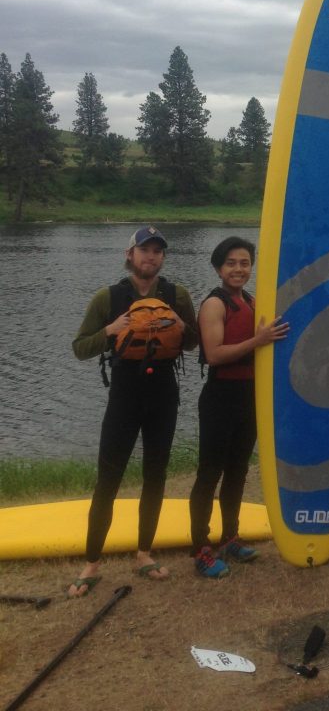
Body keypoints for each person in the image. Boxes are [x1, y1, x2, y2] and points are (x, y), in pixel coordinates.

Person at [69, 226, 198, 597]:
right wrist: (110, 329)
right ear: (130, 255)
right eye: (145, 250)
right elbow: (80, 348)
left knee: (155, 476)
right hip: (124, 396)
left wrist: (179, 326)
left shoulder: (178, 295)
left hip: (163, 396)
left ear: (162, 258)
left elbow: (192, 344)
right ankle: (92, 561)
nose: (151, 257)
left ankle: (144, 554)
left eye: (158, 251)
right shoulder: (107, 298)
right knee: (107, 480)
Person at [189, 236, 289, 579]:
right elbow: (215, 353)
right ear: (219, 267)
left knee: (237, 471)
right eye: (231, 263)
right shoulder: (214, 304)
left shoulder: (251, 301)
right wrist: (259, 340)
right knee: (209, 474)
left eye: (245, 263)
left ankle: (230, 536)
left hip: (249, 397)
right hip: (220, 397)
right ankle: (201, 548)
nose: (238, 269)